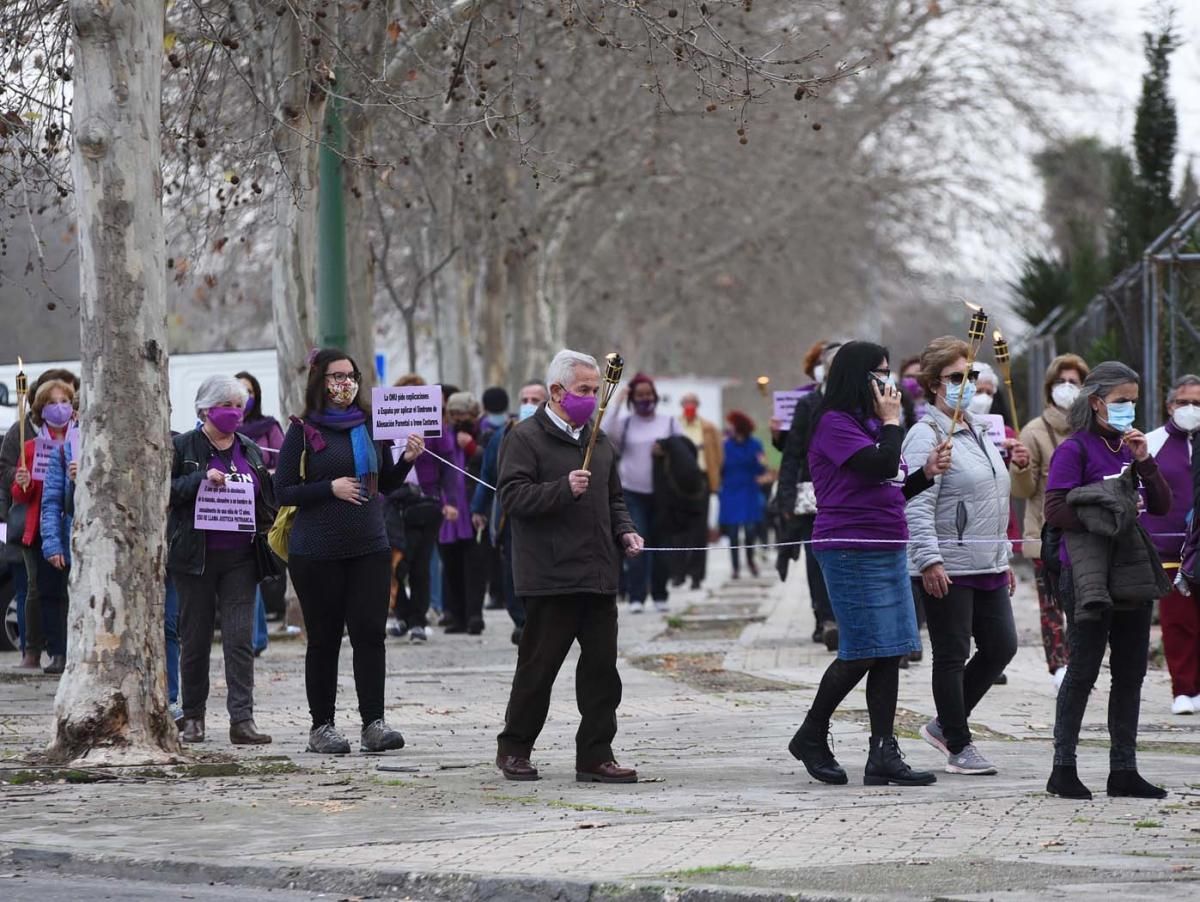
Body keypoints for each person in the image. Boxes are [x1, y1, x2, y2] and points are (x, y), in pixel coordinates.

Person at [787, 341, 950, 788]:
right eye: (879, 372)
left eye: (889, 371)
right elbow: (876, 466)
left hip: (887, 542)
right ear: (856, 376)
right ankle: (811, 733)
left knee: (891, 648)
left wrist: (925, 474)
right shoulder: (833, 424)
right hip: (849, 547)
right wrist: (894, 424)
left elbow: (889, 489)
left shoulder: (870, 423)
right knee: (862, 648)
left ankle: (883, 751)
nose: (888, 382)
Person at [495, 349, 643, 783]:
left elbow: (614, 498)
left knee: (601, 674)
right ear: (557, 391)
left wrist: (626, 532)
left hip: (598, 575)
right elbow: (513, 498)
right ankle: (514, 749)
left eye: (597, 390)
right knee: (538, 670)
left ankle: (596, 755)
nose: (593, 398)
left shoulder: (599, 440)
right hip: (550, 577)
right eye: (584, 390)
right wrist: (561, 489)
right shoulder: (524, 438)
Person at [275, 349, 425, 754]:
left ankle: (373, 724)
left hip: (369, 547)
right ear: (319, 382)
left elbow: (385, 483)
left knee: (370, 636)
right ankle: (321, 726)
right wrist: (329, 488)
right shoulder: (303, 429)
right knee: (324, 640)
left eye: (350, 375)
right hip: (316, 550)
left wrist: (407, 460)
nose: (344, 383)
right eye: (335, 376)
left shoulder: (369, 425)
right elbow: (282, 489)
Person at [1044, 361, 1171, 800]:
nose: (1128, 409)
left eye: (1134, 401)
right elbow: (1056, 510)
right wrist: (1108, 509)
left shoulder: (1129, 448)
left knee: (1131, 672)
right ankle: (1063, 767)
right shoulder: (1074, 450)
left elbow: (1158, 505)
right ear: (1096, 402)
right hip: (1086, 574)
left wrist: (1145, 463)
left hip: (1130, 573)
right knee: (1082, 670)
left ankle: (1124, 768)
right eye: (1120, 401)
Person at [902, 337, 1027, 775]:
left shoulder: (977, 427)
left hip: (988, 561)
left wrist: (1004, 556)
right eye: (957, 377)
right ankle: (958, 742)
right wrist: (929, 559)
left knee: (1001, 647)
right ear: (935, 383)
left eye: (971, 376)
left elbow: (991, 497)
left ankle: (943, 724)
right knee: (952, 654)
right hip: (948, 564)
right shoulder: (926, 435)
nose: (967, 384)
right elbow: (915, 503)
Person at [168, 376, 277, 745]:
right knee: (195, 638)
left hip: (241, 558)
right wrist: (200, 479)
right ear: (205, 410)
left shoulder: (249, 449)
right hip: (195, 558)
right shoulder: (182, 446)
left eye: (238, 405)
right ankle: (193, 717)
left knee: (239, 639)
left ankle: (242, 720)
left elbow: (266, 496)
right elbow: (164, 492)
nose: (235, 412)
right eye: (226, 406)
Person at [1010, 354, 1089, 690]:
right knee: (1052, 603)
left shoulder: (1090, 430)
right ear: (1049, 388)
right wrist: (1022, 466)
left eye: (1075, 382)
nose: (1068, 388)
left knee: (1084, 603)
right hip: (1047, 533)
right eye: (1061, 382)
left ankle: (1082, 663)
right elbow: (1022, 490)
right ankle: (1059, 666)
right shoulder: (1034, 431)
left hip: (1086, 533)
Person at [0, 367, 79, 670]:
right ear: (40, 409)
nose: (59, 408)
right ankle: (54, 650)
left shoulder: (83, 440)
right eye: (52, 402)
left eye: (64, 401)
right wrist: (22, 482)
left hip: (75, 525)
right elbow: (21, 493)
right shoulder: (30, 446)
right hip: (40, 526)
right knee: (45, 591)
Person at [472, 380, 549, 645]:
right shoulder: (503, 434)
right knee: (512, 570)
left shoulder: (556, 434)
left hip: (545, 514)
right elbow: (487, 475)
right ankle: (521, 621)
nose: (529, 405)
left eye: (535, 400)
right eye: (525, 399)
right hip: (510, 515)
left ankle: (542, 621)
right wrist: (478, 509)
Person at [777, 340, 841, 647]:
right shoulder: (809, 404)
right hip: (813, 496)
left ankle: (844, 617)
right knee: (817, 560)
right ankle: (825, 618)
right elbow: (792, 453)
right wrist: (786, 496)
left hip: (849, 495)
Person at [1144, 375, 1200, 715]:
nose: (1191, 409)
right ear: (1170, 405)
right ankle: (1183, 688)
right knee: (1178, 622)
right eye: (1184, 402)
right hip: (1166, 549)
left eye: (1198, 403)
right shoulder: (1152, 443)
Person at [612, 373, 677, 613]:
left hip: (662, 495)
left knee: (661, 546)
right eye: (639, 395)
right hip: (631, 492)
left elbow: (684, 452)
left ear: (655, 396)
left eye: (648, 394)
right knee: (637, 545)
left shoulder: (669, 422)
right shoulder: (626, 423)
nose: (644, 399)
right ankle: (636, 595)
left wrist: (667, 450)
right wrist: (617, 402)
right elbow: (605, 433)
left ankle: (660, 593)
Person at [236, 371, 286, 657]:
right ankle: (255, 637)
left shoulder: (269, 427)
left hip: (263, 508)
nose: (245, 398)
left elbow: (283, 463)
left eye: (249, 391)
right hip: (236, 511)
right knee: (246, 570)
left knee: (255, 568)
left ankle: (256, 638)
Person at [676, 392, 723, 590]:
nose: (689, 406)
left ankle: (696, 575)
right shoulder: (675, 426)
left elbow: (718, 456)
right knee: (678, 529)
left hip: (701, 479)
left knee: (699, 529)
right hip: (679, 481)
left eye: (693, 403)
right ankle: (678, 573)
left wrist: (714, 479)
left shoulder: (709, 428)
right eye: (686, 403)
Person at [718, 411, 766, 579]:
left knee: (750, 530)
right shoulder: (724, 446)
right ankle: (735, 566)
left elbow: (762, 467)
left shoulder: (755, 445)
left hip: (749, 491)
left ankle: (751, 560)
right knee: (732, 533)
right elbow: (719, 468)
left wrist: (762, 466)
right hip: (730, 492)